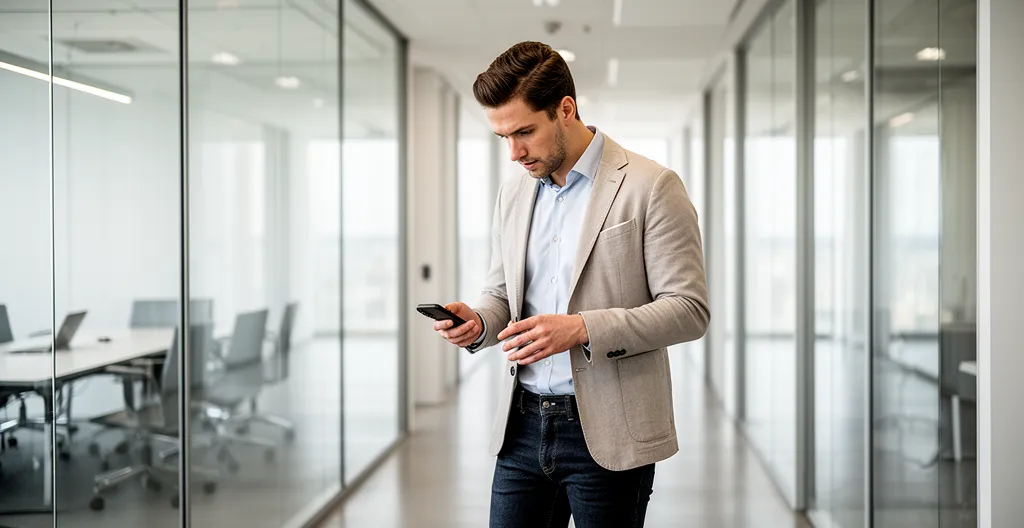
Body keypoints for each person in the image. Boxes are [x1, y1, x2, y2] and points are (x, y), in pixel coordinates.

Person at [431, 41, 710, 528]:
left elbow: (688, 310)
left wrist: (581, 328)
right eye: (503, 137)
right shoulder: (514, 192)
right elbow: (502, 294)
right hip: (521, 426)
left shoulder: (651, 185)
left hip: (609, 430)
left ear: (565, 109)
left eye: (525, 132)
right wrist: (478, 321)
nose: (515, 152)